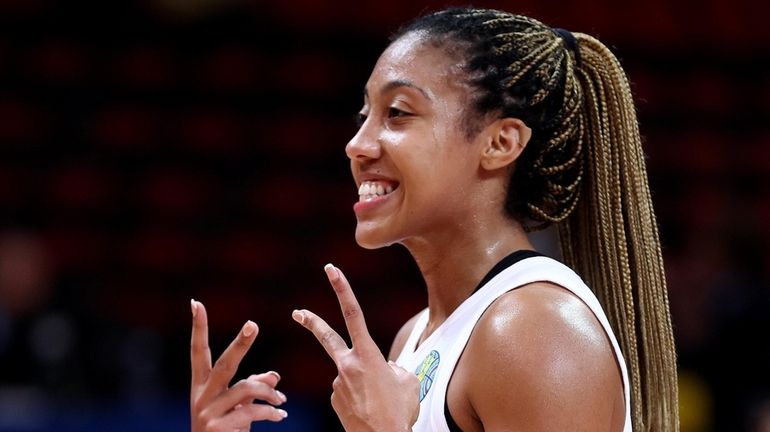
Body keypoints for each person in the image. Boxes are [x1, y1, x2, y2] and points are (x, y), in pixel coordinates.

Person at [189, 7, 679, 432]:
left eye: (398, 113)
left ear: (499, 143)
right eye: (365, 115)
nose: (357, 144)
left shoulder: (532, 329)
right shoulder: (416, 335)